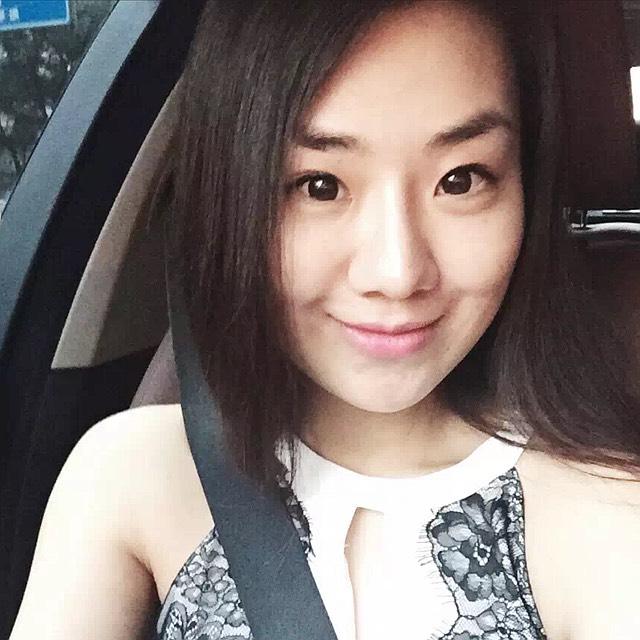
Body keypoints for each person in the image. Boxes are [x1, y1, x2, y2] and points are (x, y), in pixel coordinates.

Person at [9, 0, 640, 638]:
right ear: (230, 200)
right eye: (321, 186)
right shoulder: (135, 474)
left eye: (460, 180)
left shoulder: (600, 509)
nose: (397, 273)